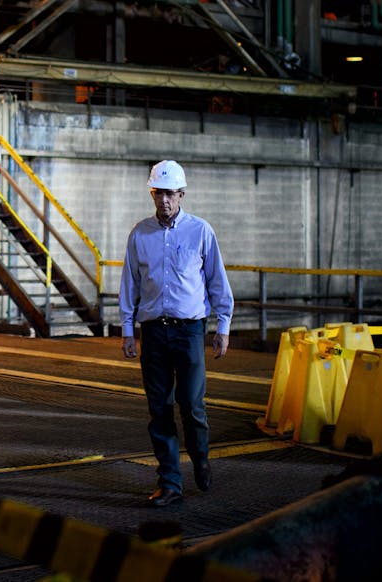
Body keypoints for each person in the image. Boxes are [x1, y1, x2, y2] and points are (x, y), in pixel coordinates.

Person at [120, 159, 234, 507]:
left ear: (181, 194)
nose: (164, 201)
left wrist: (223, 326)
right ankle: (170, 482)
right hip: (153, 332)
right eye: (158, 194)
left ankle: (200, 455)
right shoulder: (140, 234)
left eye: (170, 194)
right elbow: (130, 284)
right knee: (160, 409)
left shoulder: (201, 231)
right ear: (152, 194)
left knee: (192, 404)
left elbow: (217, 281)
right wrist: (128, 329)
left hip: (190, 332)